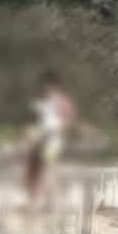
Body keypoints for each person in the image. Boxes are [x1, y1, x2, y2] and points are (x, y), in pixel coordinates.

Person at [25, 72, 77, 207]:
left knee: (48, 167)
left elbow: (68, 122)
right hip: (40, 139)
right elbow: (34, 122)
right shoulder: (41, 103)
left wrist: (56, 131)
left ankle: (49, 201)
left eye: (50, 87)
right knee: (34, 168)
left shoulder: (63, 102)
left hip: (54, 140)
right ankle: (37, 200)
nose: (47, 90)